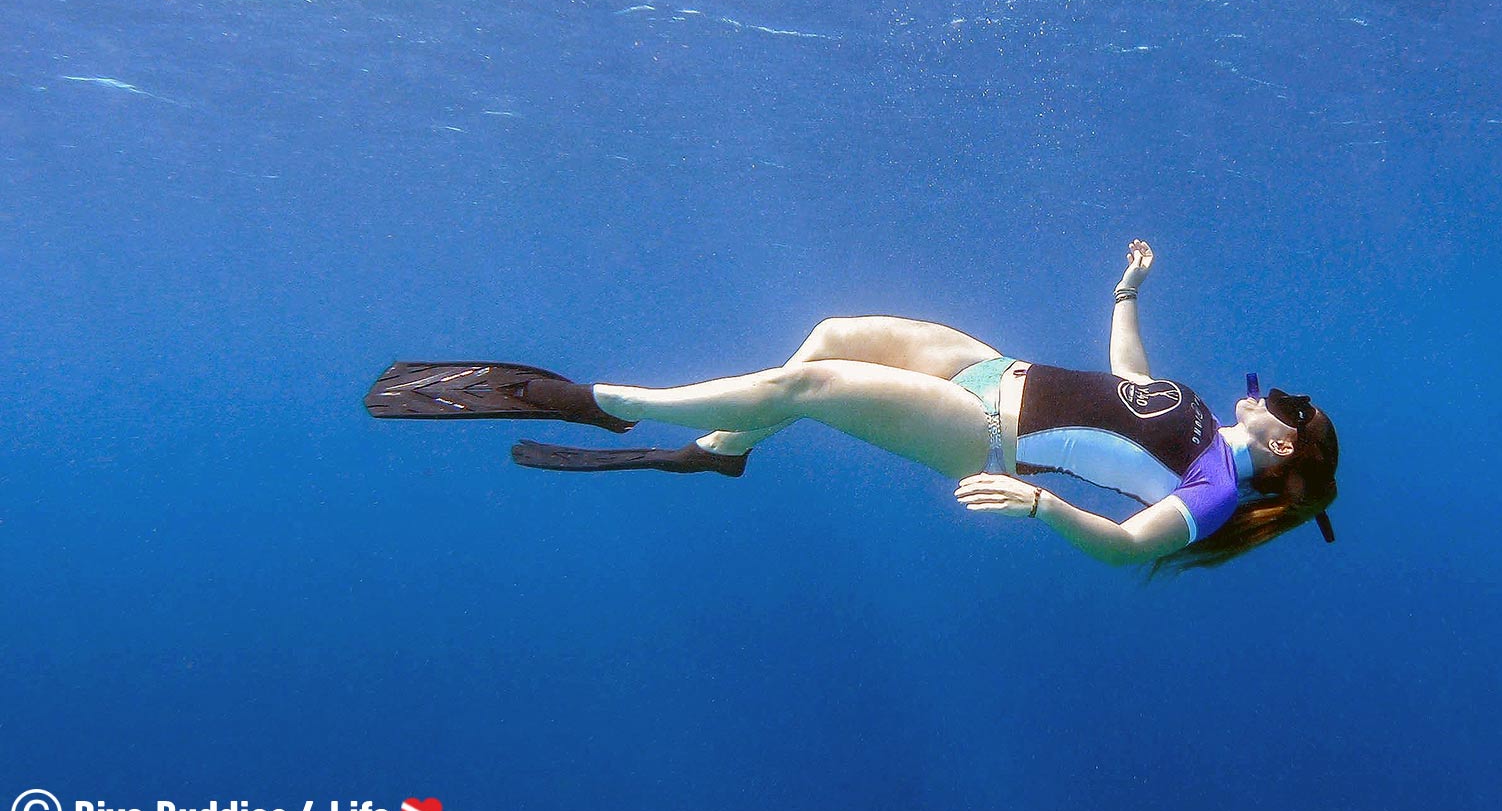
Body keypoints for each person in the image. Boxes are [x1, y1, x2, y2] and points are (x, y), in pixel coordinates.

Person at [365, 242, 1338, 573]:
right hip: (989, 367)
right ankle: (721, 450)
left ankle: (606, 402)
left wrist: (1043, 507)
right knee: (829, 332)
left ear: (1286, 438)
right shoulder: (1203, 418)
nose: (1265, 393)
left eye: (1281, 402)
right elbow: (1130, 376)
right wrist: (1127, 292)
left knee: (813, 389)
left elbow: (1132, 547)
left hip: (990, 435)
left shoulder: (1212, 487)